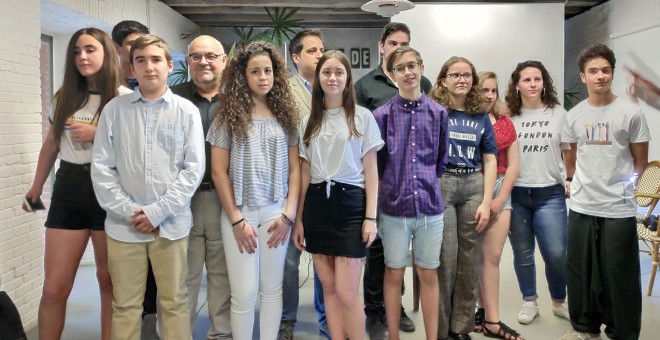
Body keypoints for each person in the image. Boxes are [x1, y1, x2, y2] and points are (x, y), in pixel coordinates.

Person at [91, 34, 205, 340]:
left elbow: (193, 170)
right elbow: (102, 168)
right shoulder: (114, 111)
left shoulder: (186, 112)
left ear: (169, 65)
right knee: (126, 306)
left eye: (156, 60)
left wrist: (156, 212)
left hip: (171, 224)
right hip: (124, 227)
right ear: (132, 67)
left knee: (174, 303)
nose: (149, 67)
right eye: (141, 60)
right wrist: (132, 212)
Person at [23, 27, 128, 340]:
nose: (82, 57)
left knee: (108, 281)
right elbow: (52, 144)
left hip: (110, 187)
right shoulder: (65, 97)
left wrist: (100, 135)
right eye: (76, 51)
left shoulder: (123, 100)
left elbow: (138, 151)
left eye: (90, 49)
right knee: (54, 287)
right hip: (69, 187)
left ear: (106, 53)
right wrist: (35, 186)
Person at [206, 41, 300, 340]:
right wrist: (235, 219)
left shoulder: (287, 115)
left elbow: (296, 169)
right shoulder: (227, 115)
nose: (263, 77)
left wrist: (288, 216)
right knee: (244, 295)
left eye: (268, 71)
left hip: (276, 214)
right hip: (240, 214)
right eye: (255, 71)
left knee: (272, 291)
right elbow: (218, 171)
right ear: (243, 76)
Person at [560, 44, 649, 340]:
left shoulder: (630, 113)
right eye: (593, 71)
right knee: (581, 272)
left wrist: (625, 191)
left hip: (618, 208)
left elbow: (640, 163)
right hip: (583, 206)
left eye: (605, 70)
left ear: (611, 73)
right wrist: (574, 182)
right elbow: (570, 160)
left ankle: (622, 332)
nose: (600, 76)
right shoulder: (574, 115)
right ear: (583, 77)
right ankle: (585, 328)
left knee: (619, 276)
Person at [293, 49, 383, 340]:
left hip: (351, 206)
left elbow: (371, 171)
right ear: (318, 78)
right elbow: (305, 173)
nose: (332, 78)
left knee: (346, 292)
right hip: (317, 207)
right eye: (326, 72)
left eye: (339, 72)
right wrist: (299, 220)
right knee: (328, 288)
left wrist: (370, 217)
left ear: (348, 78)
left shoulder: (363, 117)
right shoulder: (308, 121)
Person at [354, 21, 428, 338]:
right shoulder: (365, 85)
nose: (398, 48)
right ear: (382, 46)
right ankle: (376, 312)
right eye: (393, 43)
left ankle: (394, 307)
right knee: (378, 250)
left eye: (404, 43)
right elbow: (357, 133)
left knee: (399, 251)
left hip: (410, 182)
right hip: (378, 181)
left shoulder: (420, 80)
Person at [374, 46, 448, 340]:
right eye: (400, 68)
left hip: (430, 209)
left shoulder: (439, 114)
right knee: (393, 274)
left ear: (421, 67)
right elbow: (378, 167)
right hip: (394, 210)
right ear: (392, 76)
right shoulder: (381, 117)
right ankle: (394, 336)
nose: (408, 72)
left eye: (412, 66)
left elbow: (440, 160)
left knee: (428, 274)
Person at [430, 57, 497, 340]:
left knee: (470, 260)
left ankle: (461, 327)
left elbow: (491, 159)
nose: (462, 79)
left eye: (467, 75)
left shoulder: (480, 115)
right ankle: (443, 329)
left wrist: (485, 201)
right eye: (455, 74)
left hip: (472, 185)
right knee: (446, 258)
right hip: (442, 183)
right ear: (443, 79)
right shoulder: (435, 111)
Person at [170, 35, 231, 339]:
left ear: (224, 60)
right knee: (183, 277)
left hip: (225, 201)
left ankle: (221, 333)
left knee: (223, 276)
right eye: (196, 56)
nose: (203, 61)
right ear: (187, 61)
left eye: (211, 55)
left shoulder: (238, 100)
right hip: (183, 202)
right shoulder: (173, 98)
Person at [504, 60, 570, 326]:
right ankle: (529, 301)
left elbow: (568, 149)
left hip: (550, 193)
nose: (532, 84)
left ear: (544, 83)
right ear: (517, 85)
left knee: (555, 252)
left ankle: (558, 300)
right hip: (517, 192)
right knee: (522, 251)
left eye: (537, 79)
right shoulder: (509, 116)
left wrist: (569, 178)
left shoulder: (558, 113)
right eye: (527, 80)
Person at [279, 29, 329, 340]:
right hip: (293, 185)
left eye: (322, 49)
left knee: (324, 256)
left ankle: (327, 317)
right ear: (296, 57)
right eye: (312, 50)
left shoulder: (333, 88)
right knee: (288, 260)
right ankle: (287, 319)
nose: (320, 54)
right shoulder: (283, 92)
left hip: (327, 188)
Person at [111, 21, 159, 339]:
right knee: (121, 273)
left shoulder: (153, 92)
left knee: (155, 272)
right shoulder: (112, 92)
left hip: (155, 195)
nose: (137, 52)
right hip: (119, 195)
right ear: (118, 49)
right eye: (131, 46)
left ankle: (150, 328)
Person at [475, 71, 523, 340]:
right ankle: (479, 313)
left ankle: (492, 319)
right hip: (473, 187)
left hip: (500, 188)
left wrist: (500, 198)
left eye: (493, 91)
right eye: (484, 90)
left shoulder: (505, 123)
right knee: (472, 258)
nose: (489, 96)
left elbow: (514, 164)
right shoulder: (465, 120)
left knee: (492, 256)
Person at [111, 20, 149, 89]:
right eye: (132, 44)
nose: (140, 48)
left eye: (144, 43)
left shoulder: (153, 82)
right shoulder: (108, 84)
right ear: (116, 48)